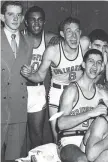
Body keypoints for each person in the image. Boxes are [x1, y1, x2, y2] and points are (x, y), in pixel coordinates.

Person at [21, 17, 90, 142]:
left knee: (82, 134)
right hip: (58, 94)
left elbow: (101, 49)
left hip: (78, 92)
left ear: (80, 33)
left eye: (76, 32)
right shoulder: (52, 51)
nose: (73, 36)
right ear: (62, 34)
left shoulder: (84, 44)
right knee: (58, 137)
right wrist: (28, 75)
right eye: (69, 31)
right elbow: (40, 76)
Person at [57, 49, 108, 162]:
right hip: (70, 140)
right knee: (82, 160)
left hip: (92, 140)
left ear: (102, 67)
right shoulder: (72, 90)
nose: (94, 66)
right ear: (83, 64)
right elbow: (61, 124)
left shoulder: (103, 93)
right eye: (91, 61)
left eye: (98, 62)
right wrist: (90, 113)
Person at [22, 5, 58, 149]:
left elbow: (74, 42)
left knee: (36, 135)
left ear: (44, 22)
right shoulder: (19, 37)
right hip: (18, 90)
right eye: (32, 20)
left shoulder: (49, 39)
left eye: (39, 20)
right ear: (26, 22)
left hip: (37, 91)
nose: (36, 24)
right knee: (13, 134)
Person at [1, 1, 32, 160]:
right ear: (2, 16)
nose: (15, 18)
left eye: (19, 15)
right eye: (10, 14)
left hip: (19, 108)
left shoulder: (28, 42)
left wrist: (30, 73)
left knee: (13, 156)